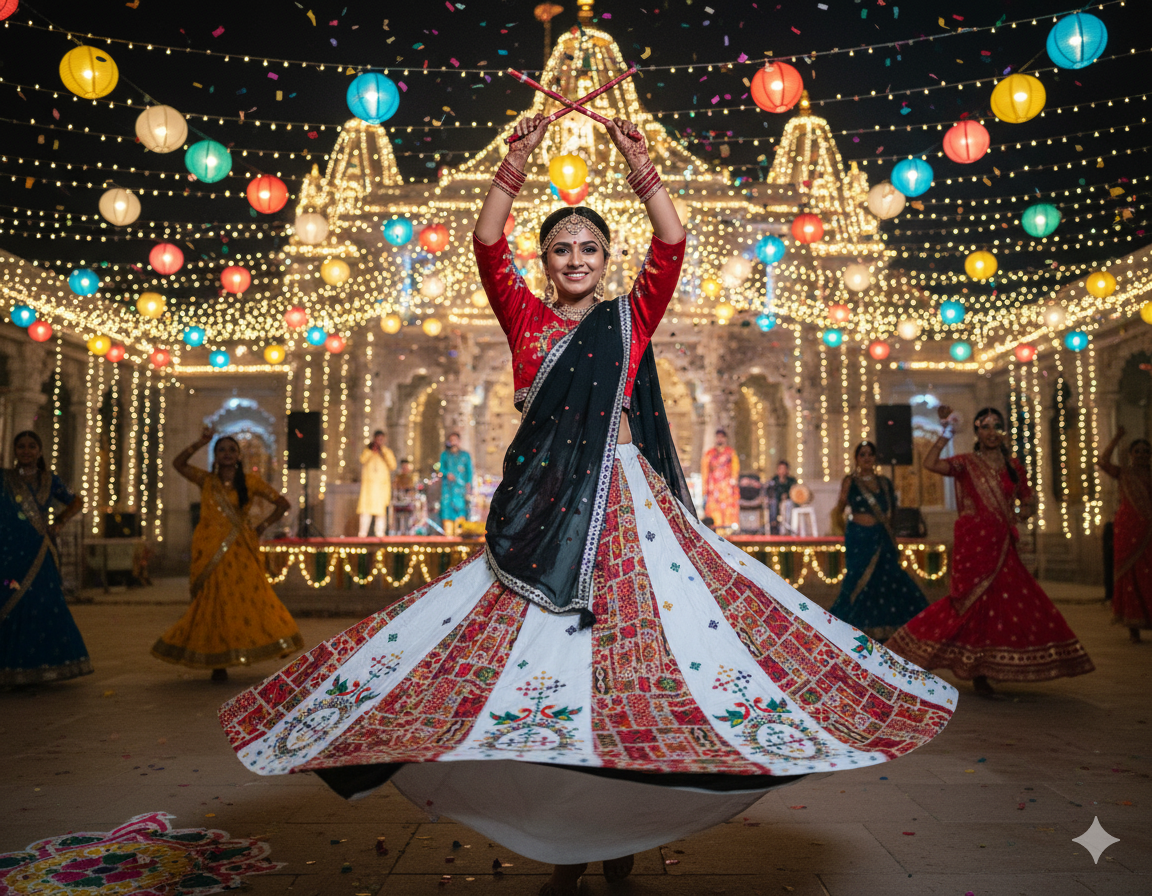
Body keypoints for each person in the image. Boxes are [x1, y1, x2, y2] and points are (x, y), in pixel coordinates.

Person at [219, 113, 955, 896]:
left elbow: (672, 247)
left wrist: (642, 169)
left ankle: (616, 842)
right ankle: (571, 848)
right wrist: (516, 162)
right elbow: (485, 246)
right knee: (553, 674)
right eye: (562, 249)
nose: (576, 259)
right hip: (548, 517)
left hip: (634, 510)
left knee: (639, 669)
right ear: (546, 263)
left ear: (608, 261)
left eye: (590, 248)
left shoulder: (628, 317)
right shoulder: (525, 320)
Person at [887, 407, 1095, 697]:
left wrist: (1026, 511)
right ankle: (947, 660)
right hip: (974, 546)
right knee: (968, 603)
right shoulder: (966, 463)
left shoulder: (1013, 467)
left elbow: (1027, 499)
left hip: (1003, 545)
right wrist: (946, 432)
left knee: (1007, 602)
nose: (992, 432)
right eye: (985, 427)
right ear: (976, 432)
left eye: (997, 426)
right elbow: (931, 463)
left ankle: (988, 666)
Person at [153, 428, 303, 682]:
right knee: (215, 601)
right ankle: (218, 660)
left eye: (232, 450)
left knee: (244, 601)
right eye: (221, 449)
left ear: (239, 456)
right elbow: (178, 463)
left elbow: (283, 504)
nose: (227, 454)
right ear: (215, 455)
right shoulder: (206, 481)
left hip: (240, 549)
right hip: (210, 549)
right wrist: (199, 442)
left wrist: (262, 527)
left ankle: (245, 650)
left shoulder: (251, 482)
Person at [1, 431, 91, 686]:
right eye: (21, 447)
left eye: (32, 447)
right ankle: (10, 669)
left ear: (40, 452)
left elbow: (76, 501)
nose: (26, 451)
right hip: (8, 553)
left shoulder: (49, 480)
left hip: (40, 553)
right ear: (15, 451)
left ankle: (42, 666)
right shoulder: (5, 479)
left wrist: (60, 522)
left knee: (43, 605)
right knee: (11, 605)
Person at [829, 441, 928, 641]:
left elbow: (891, 513)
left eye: (870, 455)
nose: (867, 458)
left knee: (887, 579)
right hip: (859, 539)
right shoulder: (850, 481)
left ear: (875, 458)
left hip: (882, 538)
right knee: (857, 581)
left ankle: (889, 626)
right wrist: (846, 532)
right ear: (857, 458)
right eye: (862, 455)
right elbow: (838, 511)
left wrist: (890, 536)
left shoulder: (884, 483)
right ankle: (850, 627)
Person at [1097, 428, 1152, 641]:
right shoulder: (1124, 473)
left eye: (1145, 451)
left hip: (1148, 532)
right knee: (1130, 575)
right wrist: (1116, 438)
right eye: (1137, 451)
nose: (1141, 455)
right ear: (1130, 455)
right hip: (1127, 531)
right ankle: (1133, 627)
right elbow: (1102, 461)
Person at [358, 430, 397, 537]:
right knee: (366, 511)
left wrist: (382, 451)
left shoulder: (386, 451)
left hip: (381, 488)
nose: (380, 441)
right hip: (369, 489)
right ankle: (362, 534)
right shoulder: (368, 451)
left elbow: (393, 465)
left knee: (381, 512)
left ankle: (380, 534)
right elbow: (362, 460)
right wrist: (371, 450)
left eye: (381, 439)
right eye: (378, 439)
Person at [701, 428, 740, 530]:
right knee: (714, 509)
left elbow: (735, 468)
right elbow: (705, 470)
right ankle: (714, 528)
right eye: (718, 437)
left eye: (722, 437)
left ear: (725, 439)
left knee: (727, 509)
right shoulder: (710, 453)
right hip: (714, 486)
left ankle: (728, 529)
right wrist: (705, 487)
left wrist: (733, 481)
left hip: (726, 486)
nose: (720, 439)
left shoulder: (730, 453)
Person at [438, 432, 472, 536]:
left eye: (455, 440)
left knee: (460, 512)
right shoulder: (445, 455)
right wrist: (446, 474)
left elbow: (469, 471)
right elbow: (441, 469)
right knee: (447, 513)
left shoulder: (465, 456)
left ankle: (459, 539)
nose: (453, 442)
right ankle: (448, 540)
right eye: (451, 440)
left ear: (459, 441)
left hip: (460, 490)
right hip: (448, 490)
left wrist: (468, 484)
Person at [767, 460, 797, 534]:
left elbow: (794, 492)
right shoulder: (774, 480)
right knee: (773, 503)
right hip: (776, 502)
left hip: (789, 502)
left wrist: (787, 496)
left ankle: (787, 529)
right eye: (780, 468)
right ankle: (774, 525)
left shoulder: (792, 481)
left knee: (787, 505)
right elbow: (770, 492)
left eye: (784, 469)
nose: (782, 471)